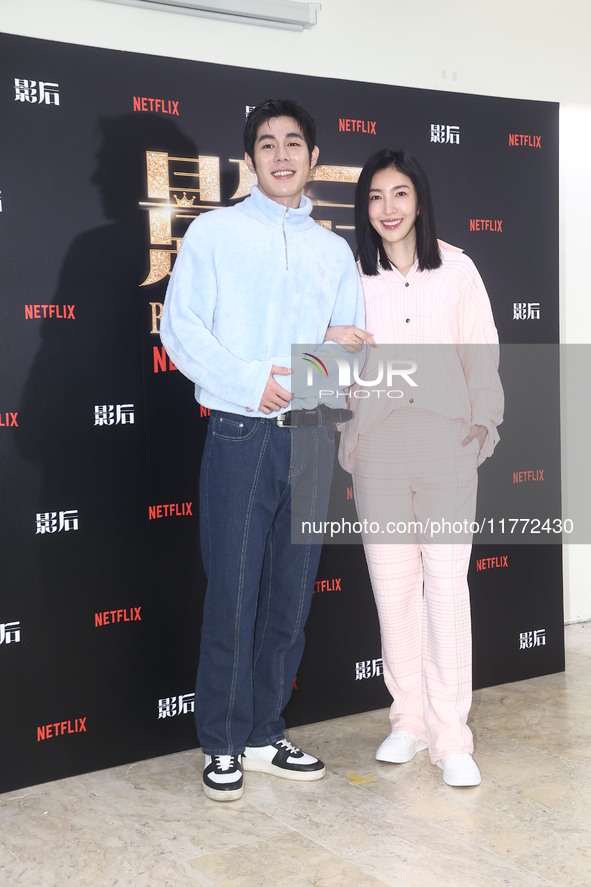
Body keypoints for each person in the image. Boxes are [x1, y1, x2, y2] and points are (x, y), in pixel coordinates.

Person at [160, 98, 371, 801]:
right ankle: (220, 739)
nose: (281, 154)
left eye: (293, 143)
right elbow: (183, 332)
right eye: (266, 143)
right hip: (239, 432)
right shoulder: (214, 233)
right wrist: (255, 382)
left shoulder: (332, 249)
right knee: (235, 593)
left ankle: (262, 730)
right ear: (249, 160)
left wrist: (304, 385)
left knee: (288, 598)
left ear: (313, 159)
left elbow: (349, 345)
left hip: (309, 433)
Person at [339, 149, 504, 787]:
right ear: (364, 207)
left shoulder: (457, 269)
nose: (388, 209)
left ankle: (451, 735)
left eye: (400, 194)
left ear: (419, 200)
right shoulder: (350, 277)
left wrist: (480, 425)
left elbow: (482, 351)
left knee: (445, 585)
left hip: (444, 445)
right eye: (376, 197)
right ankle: (406, 721)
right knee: (394, 590)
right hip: (377, 448)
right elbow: (324, 367)